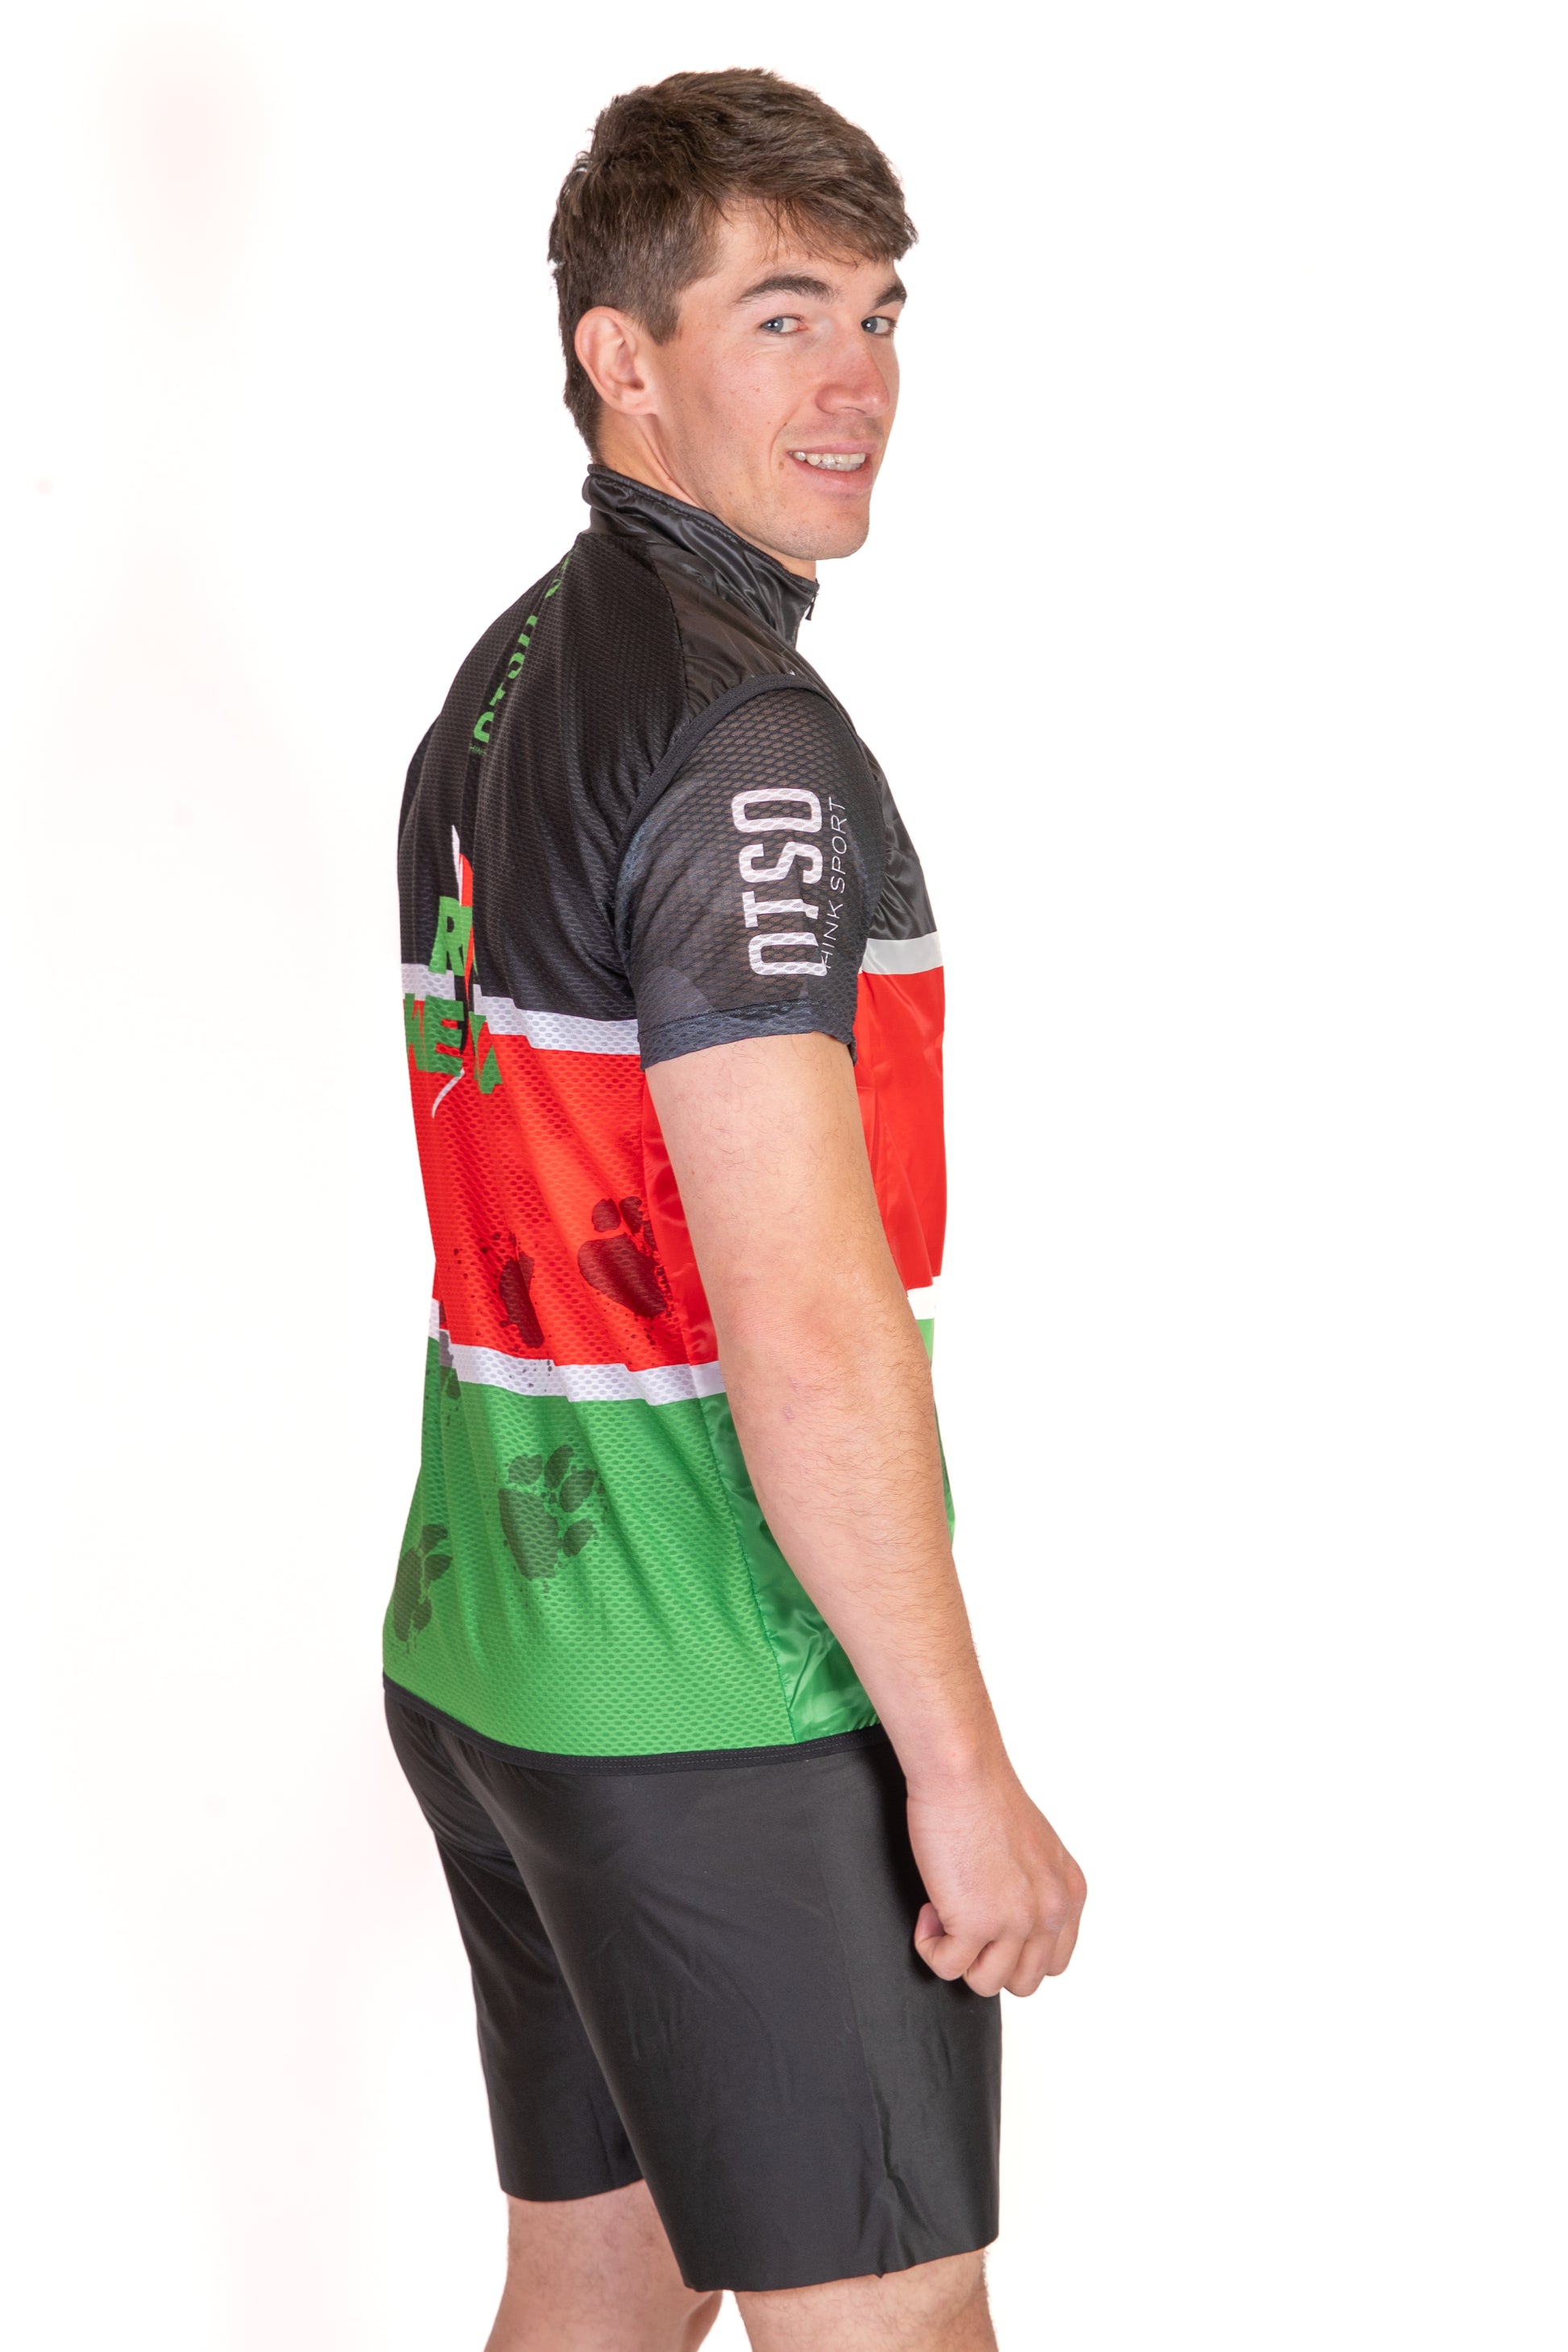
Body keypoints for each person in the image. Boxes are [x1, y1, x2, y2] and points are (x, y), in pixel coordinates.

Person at [385, 68, 1086, 2352]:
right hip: (717, 1688)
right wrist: (957, 1773)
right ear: (623, 356)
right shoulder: (742, 744)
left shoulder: (506, 676)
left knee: (595, 2302)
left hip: (499, 1651)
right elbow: (803, 1313)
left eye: (879, 316)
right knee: (896, 2322)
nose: (855, 379)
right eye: (781, 317)